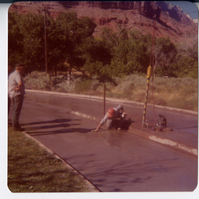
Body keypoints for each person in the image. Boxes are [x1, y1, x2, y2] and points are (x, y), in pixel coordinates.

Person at [8, 63, 25, 131]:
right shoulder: (17, 74)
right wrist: (18, 87)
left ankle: (16, 125)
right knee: (17, 110)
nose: (24, 70)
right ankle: (15, 126)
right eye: (23, 68)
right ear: (20, 68)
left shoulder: (11, 74)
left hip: (12, 94)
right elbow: (19, 82)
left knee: (15, 110)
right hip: (18, 94)